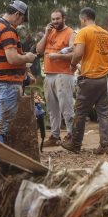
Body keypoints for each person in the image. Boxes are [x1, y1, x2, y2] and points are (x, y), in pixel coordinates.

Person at [62, 7, 108, 154]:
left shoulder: (84, 32)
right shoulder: (106, 34)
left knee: (80, 111)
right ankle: (105, 145)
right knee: (104, 112)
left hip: (89, 79)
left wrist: (73, 65)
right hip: (104, 79)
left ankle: (75, 143)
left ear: (83, 19)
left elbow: (78, 53)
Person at [0, 0, 36, 143]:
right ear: (17, 14)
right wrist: (27, 57)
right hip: (8, 83)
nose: (20, 23)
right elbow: (13, 59)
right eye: (22, 20)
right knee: (1, 128)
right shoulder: (8, 30)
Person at [36, 9, 77, 147]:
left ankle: (72, 135)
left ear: (63, 18)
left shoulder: (71, 33)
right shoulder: (50, 32)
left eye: (57, 19)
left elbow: (75, 53)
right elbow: (39, 50)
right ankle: (54, 135)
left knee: (66, 106)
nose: (55, 22)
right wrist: (46, 33)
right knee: (52, 108)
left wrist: (58, 56)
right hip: (49, 74)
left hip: (64, 74)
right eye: (53, 19)